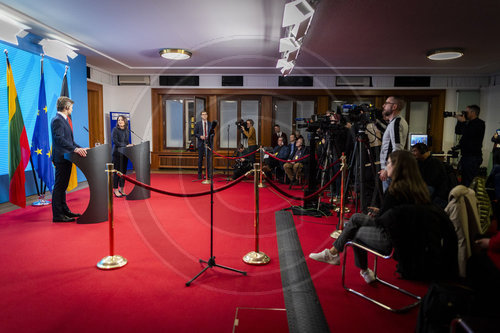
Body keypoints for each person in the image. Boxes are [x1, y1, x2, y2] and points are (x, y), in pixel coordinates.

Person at [309, 150, 431, 284]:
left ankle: (342, 258)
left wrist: (378, 215)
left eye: (389, 163)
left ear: (398, 167)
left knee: (354, 228)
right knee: (355, 220)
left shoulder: (396, 190)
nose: (386, 166)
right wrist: (380, 212)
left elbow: (384, 221)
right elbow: (398, 214)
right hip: (408, 239)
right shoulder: (419, 189)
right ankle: (340, 257)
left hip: (390, 238)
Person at [50, 96, 88, 222]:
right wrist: (75, 149)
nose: (72, 109)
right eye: (71, 107)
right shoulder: (57, 120)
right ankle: (58, 215)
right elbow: (59, 139)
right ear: (66, 107)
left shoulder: (64, 119)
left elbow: (70, 141)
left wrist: (81, 148)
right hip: (61, 158)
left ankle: (64, 210)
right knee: (59, 187)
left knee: (63, 186)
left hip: (67, 157)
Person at [379, 96, 408, 191]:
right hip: (391, 168)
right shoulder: (393, 122)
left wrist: (387, 169)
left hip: (391, 170)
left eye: (387, 103)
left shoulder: (397, 122)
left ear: (394, 107)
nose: (383, 105)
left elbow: (397, 148)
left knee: (390, 199)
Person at [411, 143, 450, 209]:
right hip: (428, 187)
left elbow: (432, 182)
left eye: (415, 151)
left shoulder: (434, 163)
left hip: (437, 191)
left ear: (422, 151)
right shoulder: (420, 162)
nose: (413, 153)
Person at [455, 105, 485, 187]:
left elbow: (470, 133)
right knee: (464, 181)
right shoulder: (468, 123)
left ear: (473, 112)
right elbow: (458, 131)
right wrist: (459, 120)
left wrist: (464, 122)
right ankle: (464, 198)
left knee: (470, 181)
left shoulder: (480, 124)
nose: (465, 113)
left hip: (473, 157)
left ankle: (470, 198)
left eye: (467, 112)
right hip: (465, 156)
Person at [111, 115, 132, 197]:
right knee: (117, 172)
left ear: (125, 121)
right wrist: (125, 145)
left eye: (121, 120)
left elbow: (126, 142)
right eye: (118, 120)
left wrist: (129, 145)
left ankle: (122, 189)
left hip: (124, 154)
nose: (120, 121)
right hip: (117, 154)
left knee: (123, 173)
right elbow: (115, 142)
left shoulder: (127, 130)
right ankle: (115, 190)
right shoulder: (115, 130)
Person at [194, 111, 212, 179]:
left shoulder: (210, 124)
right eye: (203, 114)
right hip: (201, 143)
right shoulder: (198, 124)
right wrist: (200, 136)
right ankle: (199, 174)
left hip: (208, 143)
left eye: (205, 114)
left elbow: (213, 133)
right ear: (201, 116)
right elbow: (195, 133)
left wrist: (209, 136)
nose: (204, 116)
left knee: (208, 160)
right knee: (200, 159)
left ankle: (208, 175)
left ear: (207, 116)